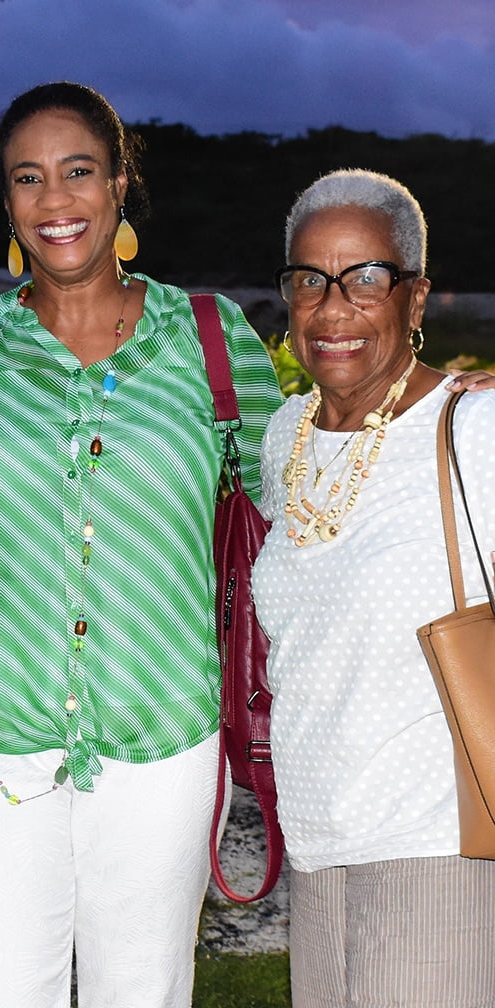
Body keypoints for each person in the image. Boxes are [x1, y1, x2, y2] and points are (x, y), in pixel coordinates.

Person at [0, 81, 283, 1007]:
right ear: (8, 205)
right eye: (27, 178)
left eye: (78, 172)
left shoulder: (210, 340)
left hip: (166, 740)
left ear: (118, 187)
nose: (54, 200)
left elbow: (288, 501)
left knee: (143, 994)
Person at [252, 169, 495, 1007]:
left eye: (365, 278)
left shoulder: (474, 429)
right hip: (317, 847)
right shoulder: (285, 435)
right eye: (309, 280)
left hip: (439, 844)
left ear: (417, 298)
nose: (332, 307)